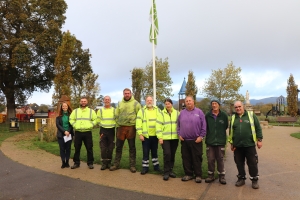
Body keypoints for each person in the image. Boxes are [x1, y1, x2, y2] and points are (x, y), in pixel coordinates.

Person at [228, 101, 263, 189]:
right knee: (239, 163)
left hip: (249, 144)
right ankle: (241, 178)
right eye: (236, 107)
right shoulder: (233, 117)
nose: (238, 108)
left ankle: (254, 180)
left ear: (243, 107)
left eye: (239, 106)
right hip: (237, 146)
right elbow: (231, 131)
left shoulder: (251, 115)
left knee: (252, 163)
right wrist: (232, 143)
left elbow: (258, 127)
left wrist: (259, 140)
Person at [109, 88, 141, 173]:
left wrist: (137, 127)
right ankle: (116, 164)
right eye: (125, 93)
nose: (127, 95)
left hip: (131, 128)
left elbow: (139, 116)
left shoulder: (136, 103)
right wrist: (118, 123)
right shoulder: (119, 103)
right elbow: (116, 114)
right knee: (118, 147)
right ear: (123, 94)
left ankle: (132, 165)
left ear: (131, 94)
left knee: (132, 148)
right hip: (120, 128)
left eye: (128, 93)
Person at [177, 96, 206, 183]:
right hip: (185, 140)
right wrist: (179, 134)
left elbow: (204, 126)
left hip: (196, 140)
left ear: (193, 102)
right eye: (187, 101)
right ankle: (188, 174)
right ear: (185, 103)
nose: (188, 102)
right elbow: (178, 125)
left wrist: (201, 137)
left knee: (196, 158)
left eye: (190, 101)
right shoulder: (182, 113)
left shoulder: (199, 112)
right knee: (186, 158)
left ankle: (198, 175)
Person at [69, 96, 97, 169]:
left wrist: (91, 125)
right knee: (77, 148)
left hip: (87, 132)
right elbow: (71, 119)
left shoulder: (91, 111)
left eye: (84, 101)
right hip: (78, 132)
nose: (83, 102)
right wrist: (75, 125)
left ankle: (90, 163)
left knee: (89, 148)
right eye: (82, 101)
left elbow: (95, 120)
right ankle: (76, 163)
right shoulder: (75, 111)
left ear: (87, 102)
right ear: (80, 102)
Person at [205, 99, 228, 184]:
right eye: (212, 104)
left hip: (220, 141)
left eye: (216, 104)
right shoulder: (207, 115)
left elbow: (226, 126)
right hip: (210, 141)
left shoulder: (224, 115)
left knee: (220, 159)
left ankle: (222, 176)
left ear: (219, 105)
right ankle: (210, 176)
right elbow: (205, 126)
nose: (214, 105)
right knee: (210, 159)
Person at [136, 95, 161, 175]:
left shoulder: (158, 110)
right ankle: (145, 167)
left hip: (155, 135)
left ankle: (156, 167)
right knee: (145, 152)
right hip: (146, 136)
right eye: (148, 100)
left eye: (150, 100)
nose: (149, 102)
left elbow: (161, 122)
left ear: (153, 101)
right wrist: (140, 134)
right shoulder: (142, 111)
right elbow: (138, 123)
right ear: (145, 101)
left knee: (154, 152)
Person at [156, 98, 179, 181]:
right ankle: (166, 172)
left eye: (169, 103)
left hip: (175, 138)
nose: (167, 105)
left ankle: (170, 171)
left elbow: (180, 125)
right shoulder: (161, 114)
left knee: (172, 154)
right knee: (167, 154)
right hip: (165, 138)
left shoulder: (177, 113)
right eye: (166, 104)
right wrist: (160, 137)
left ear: (171, 104)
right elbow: (158, 126)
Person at [97, 96, 116, 170]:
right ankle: (104, 163)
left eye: (108, 100)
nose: (107, 101)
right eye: (105, 100)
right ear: (103, 101)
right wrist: (102, 125)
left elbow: (116, 119)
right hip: (103, 130)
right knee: (103, 148)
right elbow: (98, 120)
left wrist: (113, 124)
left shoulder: (114, 110)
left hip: (111, 130)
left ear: (110, 101)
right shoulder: (100, 111)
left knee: (110, 147)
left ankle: (109, 163)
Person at [56, 102, 74, 168]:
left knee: (68, 149)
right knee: (62, 149)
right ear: (61, 108)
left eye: (65, 106)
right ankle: (63, 162)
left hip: (69, 135)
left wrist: (68, 131)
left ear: (68, 107)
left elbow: (72, 125)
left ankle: (67, 162)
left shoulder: (71, 116)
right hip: (61, 135)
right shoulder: (58, 117)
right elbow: (58, 125)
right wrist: (64, 131)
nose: (64, 107)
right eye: (63, 106)